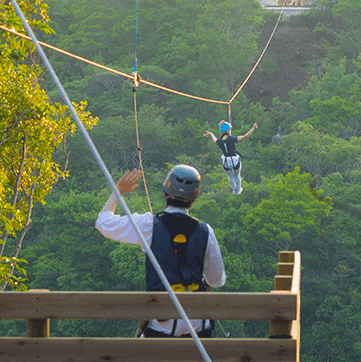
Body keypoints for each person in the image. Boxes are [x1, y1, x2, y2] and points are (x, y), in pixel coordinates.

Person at [95, 165, 226, 338]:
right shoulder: (205, 231)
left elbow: (103, 223)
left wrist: (118, 192)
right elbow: (216, 280)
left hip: (162, 328)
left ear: (166, 190)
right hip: (198, 329)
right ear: (194, 196)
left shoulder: (149, 225)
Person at [203, 120, 257, 195]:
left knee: (230, 176)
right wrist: (253, 128)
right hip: (234, 160)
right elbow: (245, 136)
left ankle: (234, 190)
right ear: (228, 130)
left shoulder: (219, 141)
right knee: (237, 175)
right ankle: (238, 189)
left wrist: (211, 134)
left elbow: (214, 139)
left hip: (226, 161)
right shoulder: (232, 139)